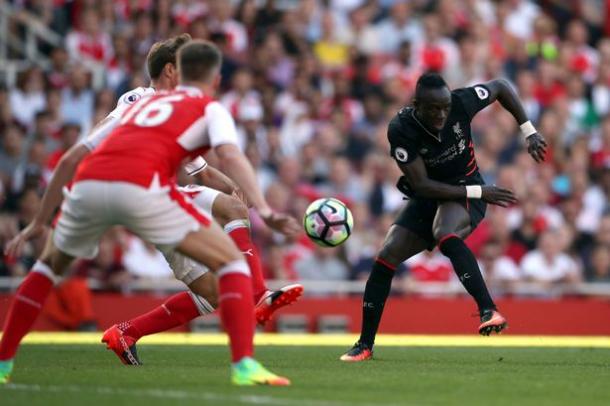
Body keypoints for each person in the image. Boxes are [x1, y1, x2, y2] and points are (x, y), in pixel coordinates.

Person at [1, 40, 300, 386]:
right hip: (146, 190)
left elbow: (72, 158)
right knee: (229, 269)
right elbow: (228, 155)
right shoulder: (162, 101)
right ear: (175, 71)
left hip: (93, 184)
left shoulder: (149, 109)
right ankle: (244, 361)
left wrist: (40, 221)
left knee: (46, 269)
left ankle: (7, 360)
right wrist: (264, 207)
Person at [340, 73, 547, 362]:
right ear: (416, 105)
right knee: (386, 255)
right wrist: (480, 191)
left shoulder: (461, 102)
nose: (441, 114)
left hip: (466, 192)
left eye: (444, 108)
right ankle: (365, 344)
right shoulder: (401, 129)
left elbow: (500, 86)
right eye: (433, 109)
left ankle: (489, 309)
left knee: (445, 234)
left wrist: (529, 131)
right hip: (438, 193)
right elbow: (422, 185)